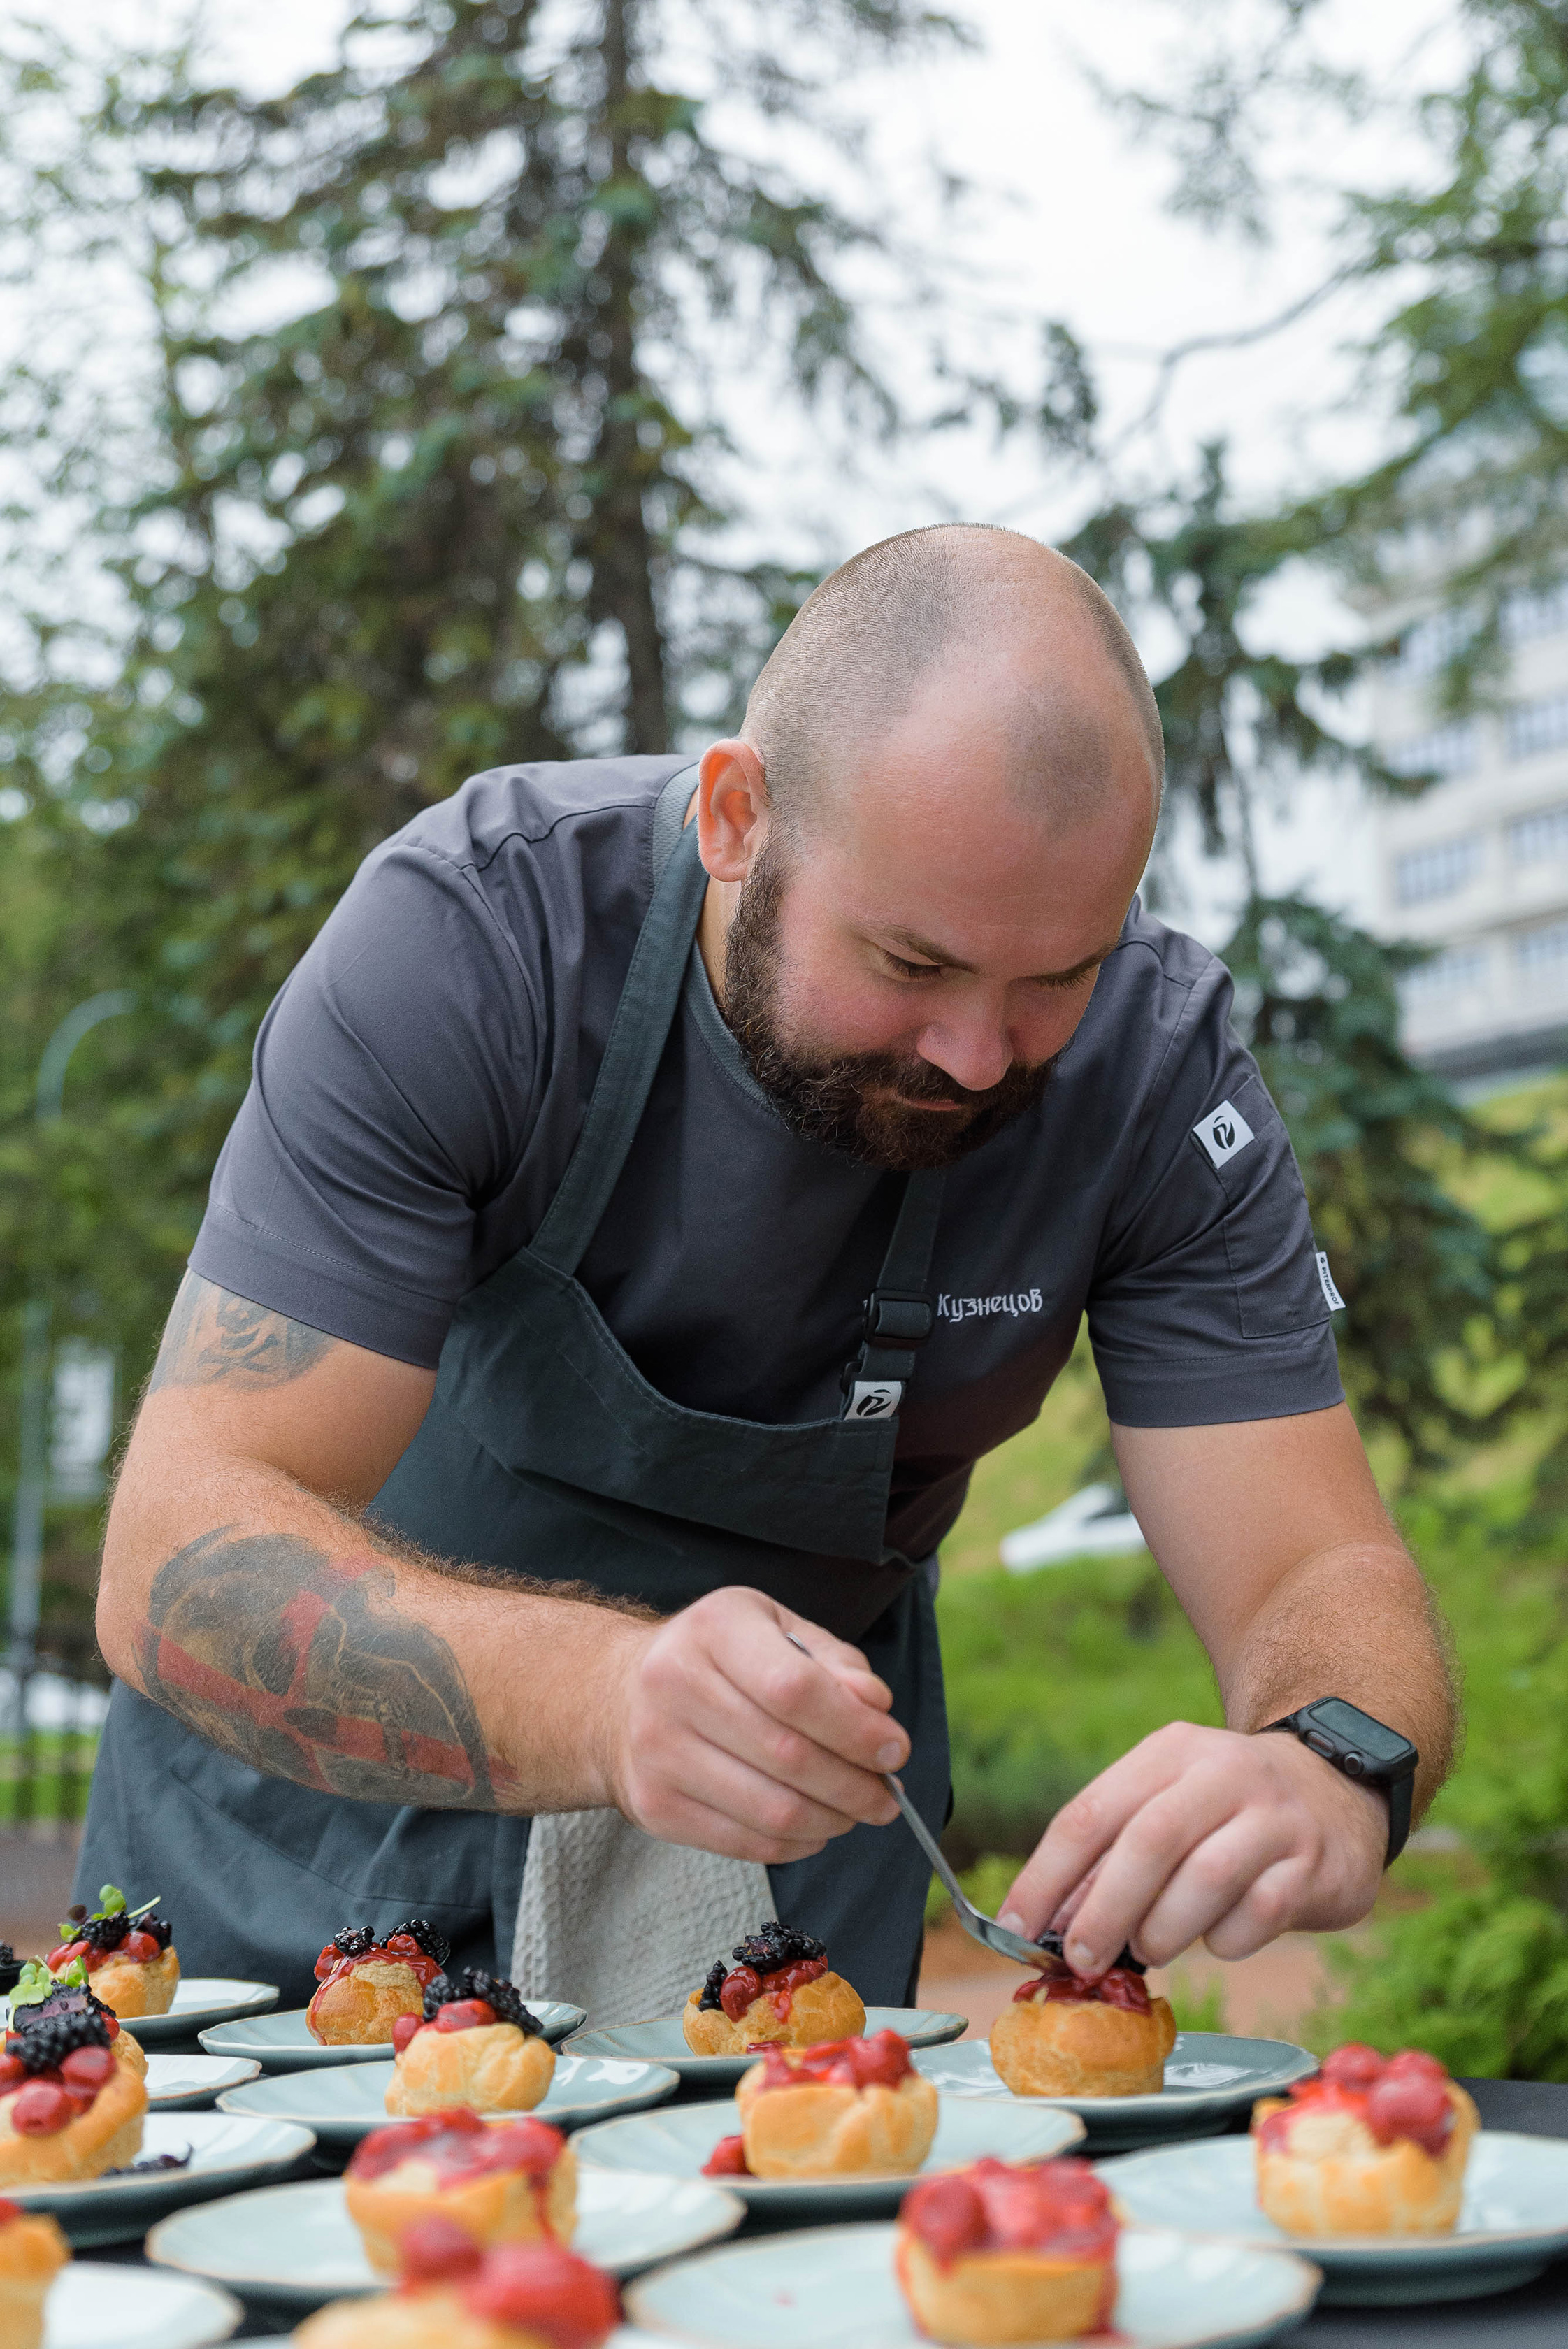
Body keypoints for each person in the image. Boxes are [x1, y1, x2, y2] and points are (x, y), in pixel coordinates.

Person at [82, 524, 1454, 2014]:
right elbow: (176, 1551)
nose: (976, 1055)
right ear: (736, 816)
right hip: (308, 1864)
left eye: (1058, 977)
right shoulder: (475, 941)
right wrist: (607, 1697)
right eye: (913, 966)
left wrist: (1329, 1762)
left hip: (779, 1916)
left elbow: (1314, 1567)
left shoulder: (1158, 1073)